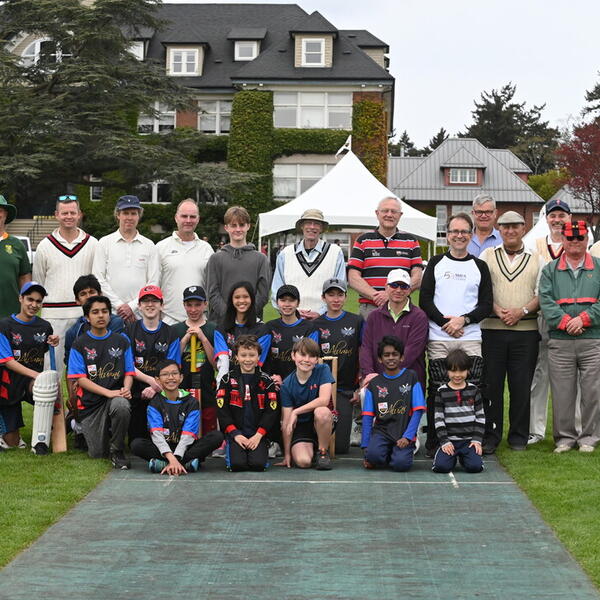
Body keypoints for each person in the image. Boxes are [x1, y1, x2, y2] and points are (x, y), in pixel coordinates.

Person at [419, 212, 492, 456]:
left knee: (473, 388)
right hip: (440, 337)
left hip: (470, 336)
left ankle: (473, 441)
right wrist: (446, 323)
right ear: (447, 235)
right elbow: (425, 300)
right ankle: (435, 441)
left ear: (470, 235)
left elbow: (486, 304)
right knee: (438, 389)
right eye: (454, 231)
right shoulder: (436, 263)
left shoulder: (479, 266)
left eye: (464, 232)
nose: (459, 236)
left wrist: (464, 320)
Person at [479, 211, 541, 453]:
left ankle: (518, 437)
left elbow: (540, 293)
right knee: (491, 385)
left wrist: (521, 311)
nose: (510, 231)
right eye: (505, 227)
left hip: (525, 331)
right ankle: (491, 435)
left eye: (515, 226)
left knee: (521, 385)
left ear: (523, 228)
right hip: (492, 330)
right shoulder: (487, 255)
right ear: (499, 229)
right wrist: (496, 309)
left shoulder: (536, 258)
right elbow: (482, 289)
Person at [539, 220, 600, 453]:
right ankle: (564, 439)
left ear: (587, 240)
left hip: (592, 339)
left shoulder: (599, 266)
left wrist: (583, 319)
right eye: (570, 238)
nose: (575, 242)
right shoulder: (550, 270)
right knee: (562, 392)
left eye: (580, 238)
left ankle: (589, 438)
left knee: (593, 391)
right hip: (560, 341)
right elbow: (545, 301)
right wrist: (566, 322)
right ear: (563, 240)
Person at [67, 295, 135, 469]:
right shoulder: (79, 344)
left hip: (115, 398)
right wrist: (108, 392)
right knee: (97, 453)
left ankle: (118, 450)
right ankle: (78, 427)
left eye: (105, 311)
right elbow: (80, 379)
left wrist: (126, 389)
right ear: (87, 317)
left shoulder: (122, 341)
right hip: (91, 405)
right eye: (95, 312)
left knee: (121, 405)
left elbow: (129, 372)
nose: (100, 316)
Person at [32, 194, 98, 372]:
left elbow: (97, 282)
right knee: (51, 368)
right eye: (64, 213)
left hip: (84, 315)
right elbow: (38, 282)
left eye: (72, 212)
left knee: (87, 367)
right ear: (56, 215)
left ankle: (82, 401)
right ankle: (53, 401)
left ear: (79, 214)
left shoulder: (92, 244)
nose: (68, 216)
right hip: (53, 316)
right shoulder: (45, 245)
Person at [527, 198, 572, 445]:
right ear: (546, 219)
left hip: (572, 319)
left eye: (561, 216)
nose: (557, 220)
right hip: (543, 318)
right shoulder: (534, 246)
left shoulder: (578, 244)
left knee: (571, 377)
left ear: (569, 218)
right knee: (540, 374)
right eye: (553, 216)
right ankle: (536, 429)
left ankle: (573, 429)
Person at [130, 359, 224, 474]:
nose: (170, 378)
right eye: (165, 374)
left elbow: (188, 435)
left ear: (181, 377)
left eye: (174, 373)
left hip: (186, 447)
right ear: (157, 380)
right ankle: (187, 463)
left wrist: (177, 458)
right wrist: (171, 457)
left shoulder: (192, 402)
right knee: (137, 444)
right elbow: (157, 435)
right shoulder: (154, 403)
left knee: (216, 437)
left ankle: (164, 464)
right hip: (163, 449)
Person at [0, 282, 58, 450]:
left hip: (32, 382)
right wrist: (37, 375)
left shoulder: (44, 326)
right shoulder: (5, 326)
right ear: (20, 299)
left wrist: (54, 341)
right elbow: (7, 361)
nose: (34, 305)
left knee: (45, 388)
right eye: (30, 299)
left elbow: (48, 348)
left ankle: (40, 441)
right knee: (12, 443)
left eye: (38, 301)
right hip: (8, 383)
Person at [348, 196, 423, 319]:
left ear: (400, 215)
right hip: (370, 308)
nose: (389, 214)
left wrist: (391, 295)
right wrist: (376, 296)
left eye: (394, 211)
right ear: (377, 213)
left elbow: (417, 277)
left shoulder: (411, 241)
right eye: (385, 211)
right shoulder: (363, 240)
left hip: (401, 308)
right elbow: (353, 277)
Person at [314, 278, 364, 454]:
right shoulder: (315, 324)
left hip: (345, 389)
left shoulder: (357, 321)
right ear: (323, 297)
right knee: (321, 442)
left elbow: (363, 354)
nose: (335, 299)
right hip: (321, 390)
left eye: (340, 295)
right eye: (331, 295)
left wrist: (359, 386)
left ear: (346, 297)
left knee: (341, 447)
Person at [92, 195, 159, 324]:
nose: (129, 217)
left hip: (140, 313)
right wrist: (119, 306)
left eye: (133, 213)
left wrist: (132, 307)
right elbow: (98, 278)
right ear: (118, 215)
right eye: (125, 213)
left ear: (139, 215)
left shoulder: (149, 245)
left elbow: (153, 282)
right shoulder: (105, 243)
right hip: (111, 313)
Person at [361, 336, 425, 472]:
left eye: (395, 354)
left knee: (400, 465)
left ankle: (404, 449)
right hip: (382, 432)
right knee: (373, 457)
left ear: (402, 357)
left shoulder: (411, 377)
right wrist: (366, 446)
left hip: (403, 433)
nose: (391, 358)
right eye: (386, 355)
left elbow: (418, 411)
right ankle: (384, 450)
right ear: (380, 359)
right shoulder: (374, 384)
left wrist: (408, 437)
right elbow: (367, 416)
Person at [125, 285, 181, 442]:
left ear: (162, 305)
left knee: (164, 439)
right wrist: (150, 381)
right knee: (136, 442)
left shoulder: (171, 333)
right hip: (136, 392)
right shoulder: (130, 330)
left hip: (163, 391)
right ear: (139, 306)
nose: (150, 305)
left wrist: (156, 386)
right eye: (146, 301)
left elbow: (173, 369)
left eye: (154, 301)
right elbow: (128, 365)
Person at [216, 335, 280, 472]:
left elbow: (272, 411)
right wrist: (235, 434)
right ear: (236, 357)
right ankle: (231, 445)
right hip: (236, 433)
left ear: (258, 357)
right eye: (243, 355)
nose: (248, 359)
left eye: (252, 355)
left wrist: (259, 435)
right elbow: (222, 410)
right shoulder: (227, 380)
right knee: (237, 465)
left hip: (257, 434)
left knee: (258, 465)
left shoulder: (267, 381)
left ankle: (264, 445)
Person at [359, 269, 428, 389]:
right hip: (377, 382)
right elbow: (366, 348)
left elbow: (412, 352)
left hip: (409, 383)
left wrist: (387, 376)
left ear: (409, 290)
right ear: (386, 287)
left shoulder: (419, 316)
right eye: (394, 285)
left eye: (404, 286)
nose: (398, 290)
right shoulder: (374, 316)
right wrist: (369, 374)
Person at [271, 209, 345, 319]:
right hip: (292, 320)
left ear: (321, 228)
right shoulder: (285, 254)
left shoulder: (335, 252)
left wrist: (320, 313)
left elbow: (340, 288)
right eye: (308, 223)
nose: (312, 227)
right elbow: (276, 290)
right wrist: (293, 312)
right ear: (302, 226)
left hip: (325, 320)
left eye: (316, 224)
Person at [206, 206, 271, 323]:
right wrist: (230, 316)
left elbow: (263, 294)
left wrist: (245, 316)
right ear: (226, 228)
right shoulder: (215, 259)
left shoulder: (261, 259)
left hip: (251, 324)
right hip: (222, 324)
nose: (238, 229)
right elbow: (212, 293)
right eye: (233, 225)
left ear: (248, 226)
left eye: (241, 225)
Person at [278, 338, 335, 470]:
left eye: (312, 356)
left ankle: (322, 452)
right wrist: (287, 454)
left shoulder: (323, 369)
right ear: (293, 355)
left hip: (322, 421)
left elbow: (324, 400)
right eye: (302, 355)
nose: (307, 359)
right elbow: (287, 422)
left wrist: (296, 411)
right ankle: (311, 448)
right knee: (303, 462)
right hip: (302, 426)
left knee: (322, 411)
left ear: (317, 359)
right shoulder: (287, 385)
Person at [157, 199, 214, 325]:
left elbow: (212, 286)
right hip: (169, 319)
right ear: (176, 218)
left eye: (192, 216)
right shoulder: (161, 247)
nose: (188, 220)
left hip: (200, 320)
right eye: (184, 216)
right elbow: (155, 283)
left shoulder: (207, 249)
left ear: (198, 219)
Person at [171, 286, 218, 434]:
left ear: (205, 304)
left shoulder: (213, 329)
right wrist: (185, 339)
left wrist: (203, 338)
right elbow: (171, 362)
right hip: (182, 387)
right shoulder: (175, 329)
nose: (193, 309)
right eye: (189, 305)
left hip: (206, 388)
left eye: (197, 305)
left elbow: (216, 364)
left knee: (207, 431)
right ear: (184, 305)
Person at [432, 348, 485, 473]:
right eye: (453, 370)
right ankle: (448, 455)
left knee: (475, 467)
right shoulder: (441, 391)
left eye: (462, 370)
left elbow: (480, 417)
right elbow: (439, 419)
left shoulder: (474, 390)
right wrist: (445, 442)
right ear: (447, 371)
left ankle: (465, 458)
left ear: (468, 370)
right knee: (441, 467)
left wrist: (476, 440)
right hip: (450, 441)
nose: (457, 375)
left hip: (469, 441)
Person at [213, 281, 271, 385]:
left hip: (254, 384)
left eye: (245, 296)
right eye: (237, 297)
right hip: (229, 385)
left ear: (252, 299)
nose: (241, 301)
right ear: (231, 300)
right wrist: (221, 388)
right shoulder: (221, 329)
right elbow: (223, 363)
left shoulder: (263, 330)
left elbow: (256, 363)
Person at [265, 284, 318, 385]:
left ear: (298, 303)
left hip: (301, 384)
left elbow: (311, 360)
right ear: (277, 303)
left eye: (291, 300)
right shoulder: (269, 327)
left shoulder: (309, 328)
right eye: (283, 300)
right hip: (274, 384)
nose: (287, 304)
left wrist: (288, 383)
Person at [0, 195, 31, 319]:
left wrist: (26, 305)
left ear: (6, 214)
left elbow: (25, 278)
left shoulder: (17, 245)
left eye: (0, 211)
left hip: (11, 315)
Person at [466, 193, 500, 258]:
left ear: (495, 213)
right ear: (473, 213)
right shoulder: (462, 239)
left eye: (488, 212)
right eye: (479, 212)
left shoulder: (504, 241)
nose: (483, 216)